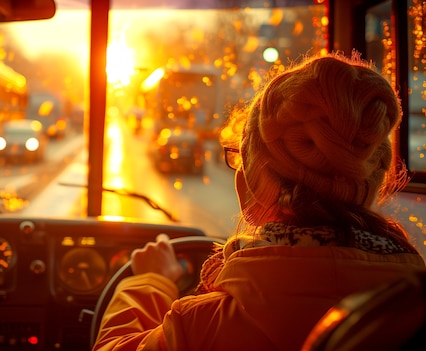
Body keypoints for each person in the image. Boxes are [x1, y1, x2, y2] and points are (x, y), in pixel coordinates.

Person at [92, 52, 426, 351]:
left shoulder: (203, 327)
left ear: (249, 185)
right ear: (373, 181)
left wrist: (150, 280)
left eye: (239, 159)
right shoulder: (411, 309)